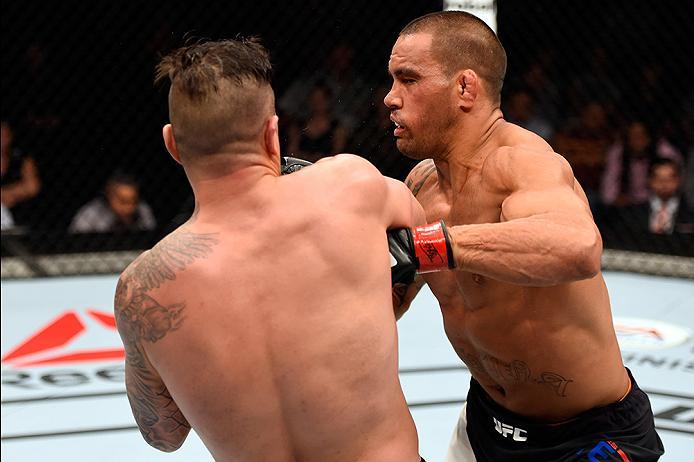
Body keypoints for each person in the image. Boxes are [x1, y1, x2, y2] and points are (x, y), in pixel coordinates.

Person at [114, 38, 426, 462]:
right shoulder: (352, 187)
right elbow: (425, 241)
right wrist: (384, 304)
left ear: (172, 144)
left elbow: (163, 436)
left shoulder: (141, 288)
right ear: (272, 133)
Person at [384, 11, 664, 461]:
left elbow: (578, 247)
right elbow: (385, 299)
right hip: (488, 423)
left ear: (464, 88)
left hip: (589, 436)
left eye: (408, 79)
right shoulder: (421, 186)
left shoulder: (523, 163)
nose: (390, 98)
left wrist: (438, 246)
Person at [69, 171, 156, 233]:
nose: (128, 207)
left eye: (134, 201)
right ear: (109, 196)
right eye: (123, 201)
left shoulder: (142, 211)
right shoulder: (90, 214)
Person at [1, 120, 42, 226]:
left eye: (4, 134)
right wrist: (17, 191)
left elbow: (33, 187)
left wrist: (6, 194)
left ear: (10, 136)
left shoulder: (20, 158)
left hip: (21, 214)